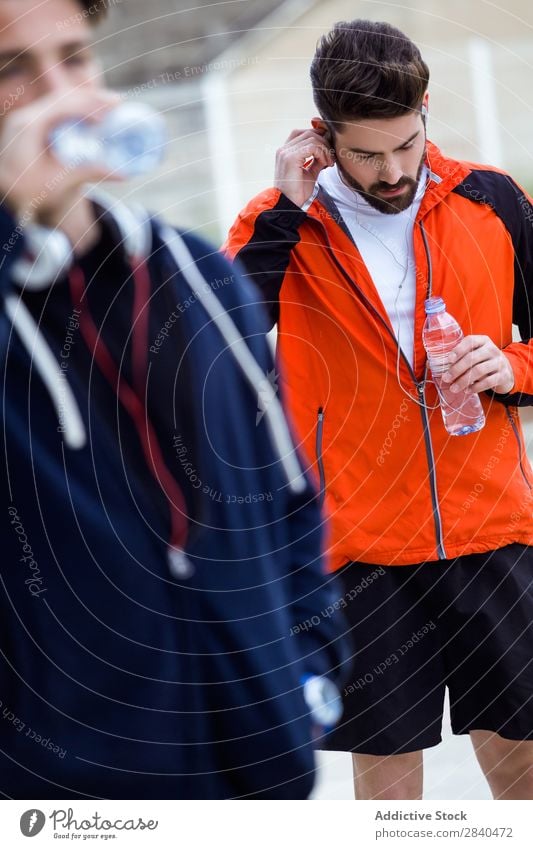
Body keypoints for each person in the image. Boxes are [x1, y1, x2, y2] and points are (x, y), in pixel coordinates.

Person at [0, 0, 349, 799]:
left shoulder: (196, 275)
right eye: (12, 70)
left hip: (255, 776)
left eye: (74, 59)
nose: (60, 93)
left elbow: (288, 495)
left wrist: (305, 675)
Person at [224, 19, 533, 800]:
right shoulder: (280, 224)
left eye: (406, 143)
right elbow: (214, 341)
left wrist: (509, 365)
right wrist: (286, 213)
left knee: (521, 769)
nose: (393, 170)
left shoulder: (491, 200)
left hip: (493, 530)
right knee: (389, 792)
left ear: (424, 107)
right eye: (366, 153)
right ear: (323, 135)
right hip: (360, 552)